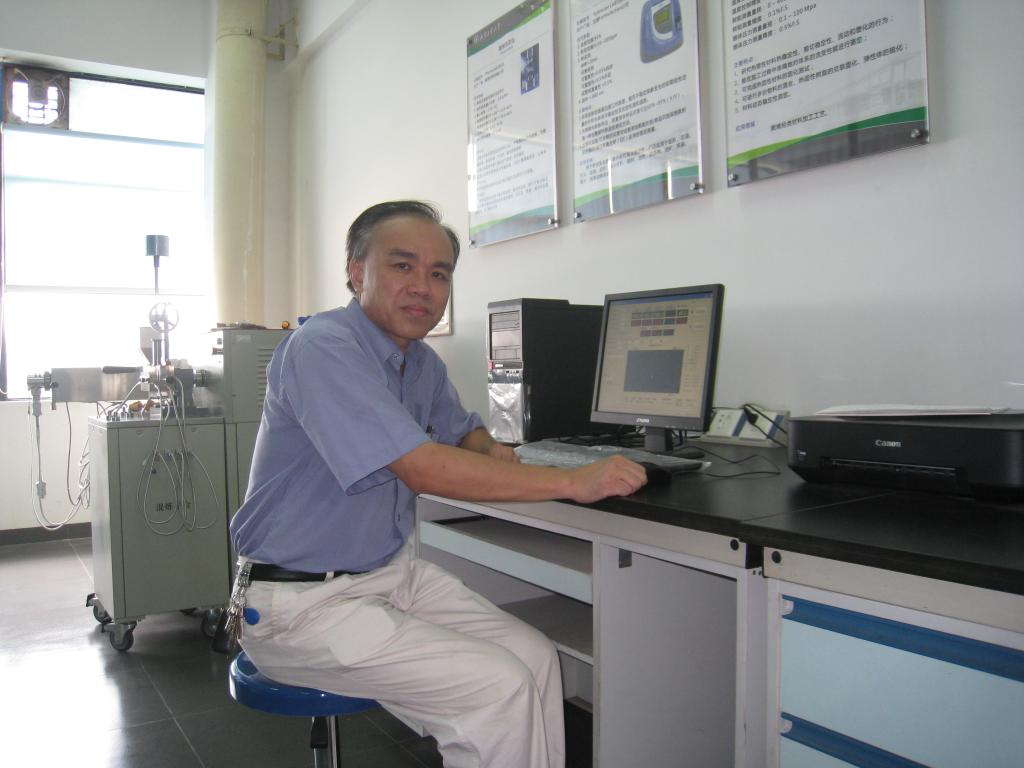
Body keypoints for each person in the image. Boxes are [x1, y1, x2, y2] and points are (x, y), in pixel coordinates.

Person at [229, 200, 646, 768]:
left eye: (439, 273)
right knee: (497, 687)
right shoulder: (324, 348)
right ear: (356, 270)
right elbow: (422, 467)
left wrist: (495, 452)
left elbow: (463, 430)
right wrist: (572, 480)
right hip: (300, 605)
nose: (422, 287)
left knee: (536, 657)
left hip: (385, 578)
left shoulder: (419, 362)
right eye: (402, 266)